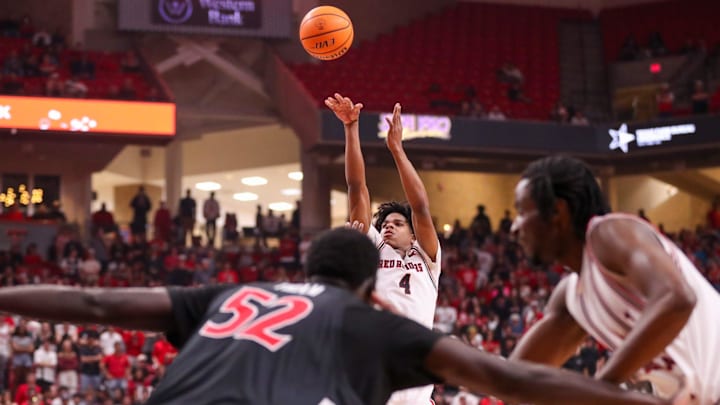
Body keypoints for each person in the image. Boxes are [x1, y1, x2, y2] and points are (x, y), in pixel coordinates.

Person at [0, 227, 682, 405]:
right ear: (367, 284)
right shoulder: (373, 319)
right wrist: (615, 392)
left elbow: (93, 303)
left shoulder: (233, 294)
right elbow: (506, 378)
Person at [509, 155, 719, 403]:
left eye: (522, 212)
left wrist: (599, 390)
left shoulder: (608, 233)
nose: (514, 227)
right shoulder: (572, 297)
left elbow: (677, 299)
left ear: (558, 211)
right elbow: (514, 380)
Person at [326, 93, 441, 405]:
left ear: (414, 235)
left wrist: (398, 150)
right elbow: (356, 187)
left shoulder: (427, 258)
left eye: (397, 223)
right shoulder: (375, 248)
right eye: (385, 222)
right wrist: (351, 129)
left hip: (417, 374)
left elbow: (420, 206)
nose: (388, 226)